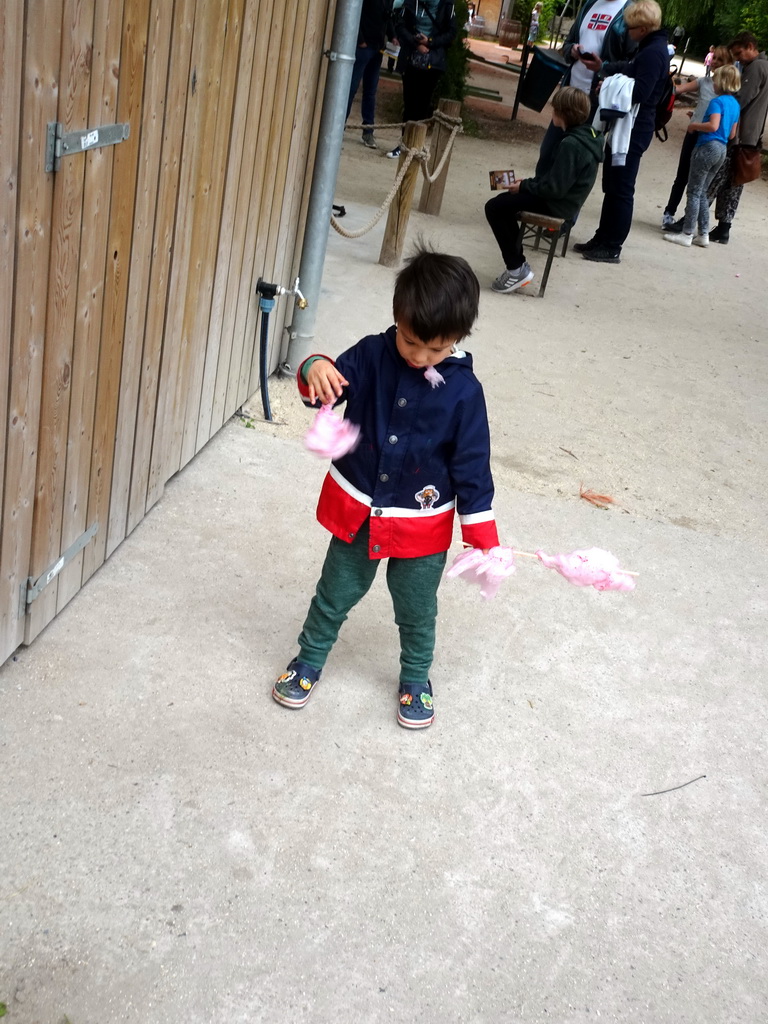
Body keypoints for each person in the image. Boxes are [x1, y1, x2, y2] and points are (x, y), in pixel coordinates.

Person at [272, 248, 499, 729]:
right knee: (334, 591)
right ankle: (309, 659)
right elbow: (326, 384)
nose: (419, 357)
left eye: (435, 350)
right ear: (397, 319)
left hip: (421, 524)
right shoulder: (374, 354)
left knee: (417, 607)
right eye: (411, 341)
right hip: (359, 510)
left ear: (458, 338)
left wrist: (481, 533)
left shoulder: (464, 393)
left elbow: (472, 467)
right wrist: (314, 366)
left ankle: (415, 676)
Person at [573, 0, 670, 264]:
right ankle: (603, 237)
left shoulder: (653, 53)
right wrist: (605, 68)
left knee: (621, 189)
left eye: (630, 27)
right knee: (612, 185)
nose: (627, 32)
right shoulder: (650, 48)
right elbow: (628, 69)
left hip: (634, 130)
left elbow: (640, 92)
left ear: (642, 27)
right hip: (627, 127)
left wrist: (608, 86)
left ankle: (613, 245)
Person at [484, 87, 603, 293]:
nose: (552, 113)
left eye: (555, 109)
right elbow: (555, 180)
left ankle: (516, 268)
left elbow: (554, 189)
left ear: (563, 113)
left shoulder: (571, 145)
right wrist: (525, 184)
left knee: (495, 207)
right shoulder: (584, 136)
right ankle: (517, 265)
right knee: (503, 201)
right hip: (561, 200)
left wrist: (525, 186)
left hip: (557, 204)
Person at [538, 0, 637, 171]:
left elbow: (633, 62)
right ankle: (538, 195)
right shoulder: (589, 5)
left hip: (596, 101)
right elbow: (568, 43)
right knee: (548, 153)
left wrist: (603, 68)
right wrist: (572, 50)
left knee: (576, 161)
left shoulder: (630, 10)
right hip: (569, 94)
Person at [663, 64, 741, 248]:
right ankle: (703, 233)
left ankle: (687, 232)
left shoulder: (717, 102)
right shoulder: (735, 105)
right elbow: (731, 134)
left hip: (707, 145)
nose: (712, 82)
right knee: (703, 192)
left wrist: (695, 125)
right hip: (721, 148)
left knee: (694, 191)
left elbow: (713, 126)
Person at [706, 32, 768, 244]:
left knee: (716, 177)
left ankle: (694, 219)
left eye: (740, 53)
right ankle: (723, 228)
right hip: (751, 134)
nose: (738, 58)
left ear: (750, 46)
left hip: (740, 134)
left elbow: (741, 99)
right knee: (734, 183)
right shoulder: (763, 66)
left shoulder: (757, 68)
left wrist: (720, 114)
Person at [387, 0, 458, 158]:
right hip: (411, 58)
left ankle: (415, 144)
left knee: (422, 105)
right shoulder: (412, 2)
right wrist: (416, 42)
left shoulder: (447, 5)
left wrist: (430, 42)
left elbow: (451, 32)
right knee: (409, 103)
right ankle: (405, 143)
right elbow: (400, 25)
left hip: (432, 61)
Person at [346, 0, 395, 150]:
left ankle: (368, 130)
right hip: (364, 46)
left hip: (377, 48)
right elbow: (356, 14)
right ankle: (339, 124)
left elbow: (388, 18)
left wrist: (393, 36)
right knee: (352, 88)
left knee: (370, 91)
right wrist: (360, 40)